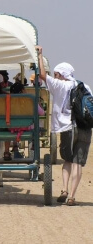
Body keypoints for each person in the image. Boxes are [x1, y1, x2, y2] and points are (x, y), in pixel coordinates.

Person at [37, 46, 92, 206]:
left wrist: (40, 55)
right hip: (85, 128)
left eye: (56, 74)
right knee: (78, 163)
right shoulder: (84, 86)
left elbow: (42, 75)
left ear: (60, 74)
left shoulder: (60, 85)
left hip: (68, 128)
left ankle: (65, 190)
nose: (55, 77)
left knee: (67, 160)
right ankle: (72, 197)